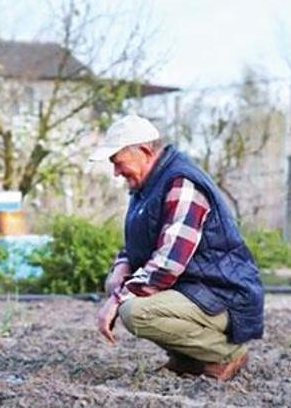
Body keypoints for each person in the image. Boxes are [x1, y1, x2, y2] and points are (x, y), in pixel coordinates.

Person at [90, 114, 264, 381]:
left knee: (133, 311)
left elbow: (168, 263)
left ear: (145, 151)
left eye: (117, 162)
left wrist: (117, 300)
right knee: (122, 289)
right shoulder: (147, 188)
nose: (115, 172)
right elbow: (142, 241)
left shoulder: (181, 183)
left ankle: (226, 353)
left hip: (222, 294)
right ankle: (189, 359)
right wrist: (121, 266)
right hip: (194, 289)